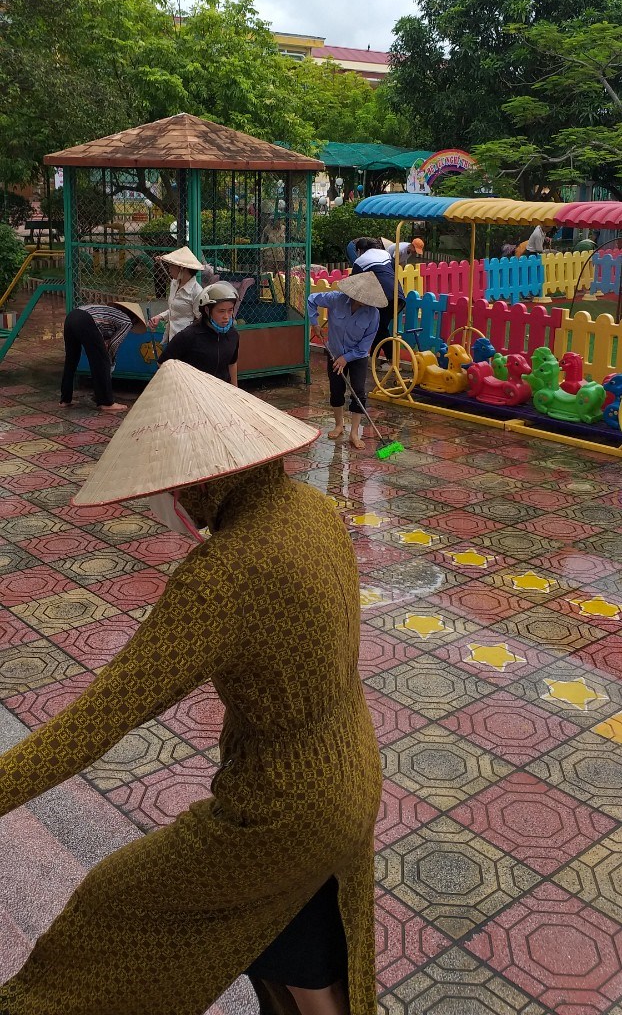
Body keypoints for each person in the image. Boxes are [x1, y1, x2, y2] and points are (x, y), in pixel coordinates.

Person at [0, 361, 382, 1015]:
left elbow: (100, 719)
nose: (169, 499)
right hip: (351, 771)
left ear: (206, 478)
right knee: (298, 956)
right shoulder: (315, 511)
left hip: (281, 809)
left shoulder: (226, 573)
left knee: (112, 904)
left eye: (176, 483)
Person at [307, 273, 387, 450]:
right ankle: (339, 425)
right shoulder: (336, 299)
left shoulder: (373, 314)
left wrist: (346, 358)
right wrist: (314, 322)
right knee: (336, 389)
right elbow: (311, 299)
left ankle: (354, 433)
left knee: (358, 391)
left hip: (357, 357)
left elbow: (365, 345)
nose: (365, 302)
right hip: (335, 353)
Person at [59, 300, 146, 413]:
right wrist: (110, 360)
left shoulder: (109, 314)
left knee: (71, 359)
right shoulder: (127, 321)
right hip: (86, 321)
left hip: (72, 317)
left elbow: (102, 339)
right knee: (101, 362)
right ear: (134, 319)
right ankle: (106, 402)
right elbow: (114, 344)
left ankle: (65, 400)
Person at [159, 282, 239, 384]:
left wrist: (235, 390)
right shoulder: (189, 335)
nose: (226, 317)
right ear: (207, 310)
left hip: (221, 391)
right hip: (193, 391)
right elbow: (162, 363)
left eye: (230, 310)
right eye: (221, 311)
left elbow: (232, 363)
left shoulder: (233, 335)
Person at [351, 239, 405, 365]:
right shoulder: (385, 254)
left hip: (383, 297)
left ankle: (391, 361)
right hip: (398, 294)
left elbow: (355, 283)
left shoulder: (360, 261)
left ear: (359, 250)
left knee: (379, 328)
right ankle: (374, 359)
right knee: (379, 327)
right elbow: (391, 272)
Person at [149, 246, 204, 341]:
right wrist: (160, 317)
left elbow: (201, 319)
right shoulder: (175, 283)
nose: (169, 269)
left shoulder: (197, 291)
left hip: (186, 340)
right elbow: (176, 309)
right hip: (172, 337)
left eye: (172, 266)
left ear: (182, 268)